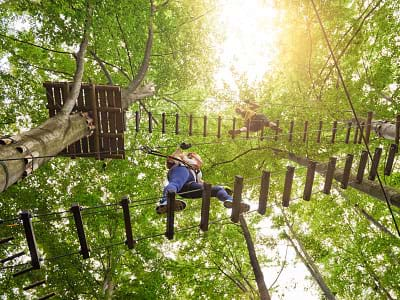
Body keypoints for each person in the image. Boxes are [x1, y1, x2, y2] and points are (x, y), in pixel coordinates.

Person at [156, 149, 250, 214]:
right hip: (181, 171)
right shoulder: (182, 159)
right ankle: (165, 201)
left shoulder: (198, 173)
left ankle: (231, 201)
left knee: (217, 189)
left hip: (190, 187)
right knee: (176, 183)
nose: (199, 160)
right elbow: (170, 159)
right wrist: (181, 151)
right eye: (196, 157)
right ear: (191, 156)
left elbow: (203, 184)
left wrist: (222, 189)